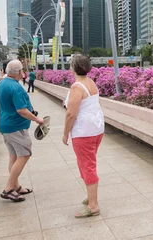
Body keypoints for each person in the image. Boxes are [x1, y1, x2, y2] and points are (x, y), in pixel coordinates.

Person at [0, 60, 44, 202]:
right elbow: (21, 110)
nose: (23, 73)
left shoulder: (1, 84)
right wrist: (37, 119)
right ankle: (9, 188)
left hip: (6, 125)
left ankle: (15, 186)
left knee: (14, 156)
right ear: (18, 73)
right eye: (22, 70)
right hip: (16, 127)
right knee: (25, 154)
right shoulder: (15, 88)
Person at [63, 54, 105, 218]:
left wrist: (65, 133)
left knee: (87, 165)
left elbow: (71, 114)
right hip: (96, 129)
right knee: (88, 162)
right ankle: (91, 195)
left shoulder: (77, 87)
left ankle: (93, 205)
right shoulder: (90, 82)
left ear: (73, 68)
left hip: (84, 132)